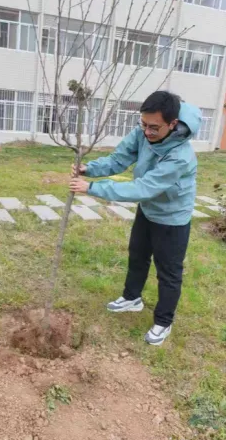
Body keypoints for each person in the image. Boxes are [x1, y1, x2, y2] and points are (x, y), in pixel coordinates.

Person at [68, 91, 201, 346]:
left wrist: (92, 188)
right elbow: (119, 159)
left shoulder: (180, 156)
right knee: (137, 255)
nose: (147, 132)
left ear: (172, 123)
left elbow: (143, 188)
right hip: (148, 209)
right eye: (144, 124)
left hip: (172, 217)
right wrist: (90, 169)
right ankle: (132, 298)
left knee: (169, 272)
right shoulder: (143, 131)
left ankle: (163, 321)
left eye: (154, 127)